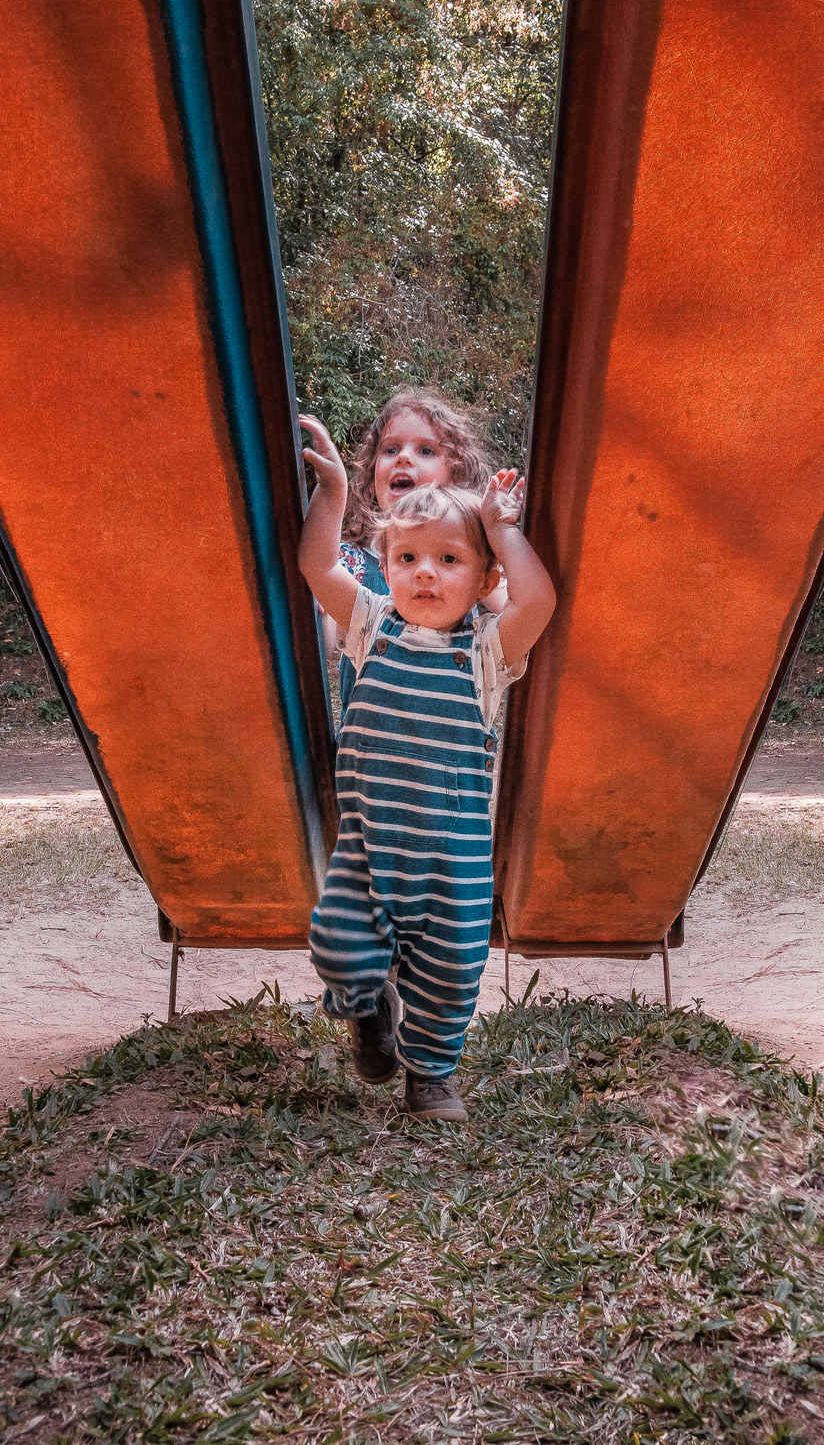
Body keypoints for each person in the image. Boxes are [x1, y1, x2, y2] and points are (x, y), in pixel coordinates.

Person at [297, 422, 556, 1123]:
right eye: (407, 557)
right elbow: (320, 570)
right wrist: (334, 492)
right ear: (385, 564)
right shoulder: (371, 627)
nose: (424, 572)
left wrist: (503, 531)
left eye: (447, 560)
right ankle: (370, 1013)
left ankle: (431, 1080)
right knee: (339, 945)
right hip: (369, 850)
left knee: (449, 977)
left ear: (482, 581)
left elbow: (539, 603)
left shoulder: (486, 655)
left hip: (454, 861)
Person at [298, 387, 503, 722]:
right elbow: (320, 650)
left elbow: (517, 605)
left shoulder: (476, 559)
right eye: (390, 449)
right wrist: (333, 489)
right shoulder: (350, 562)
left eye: (425, 450)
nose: (404, 457)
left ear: (457, 475)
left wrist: (497, 534)